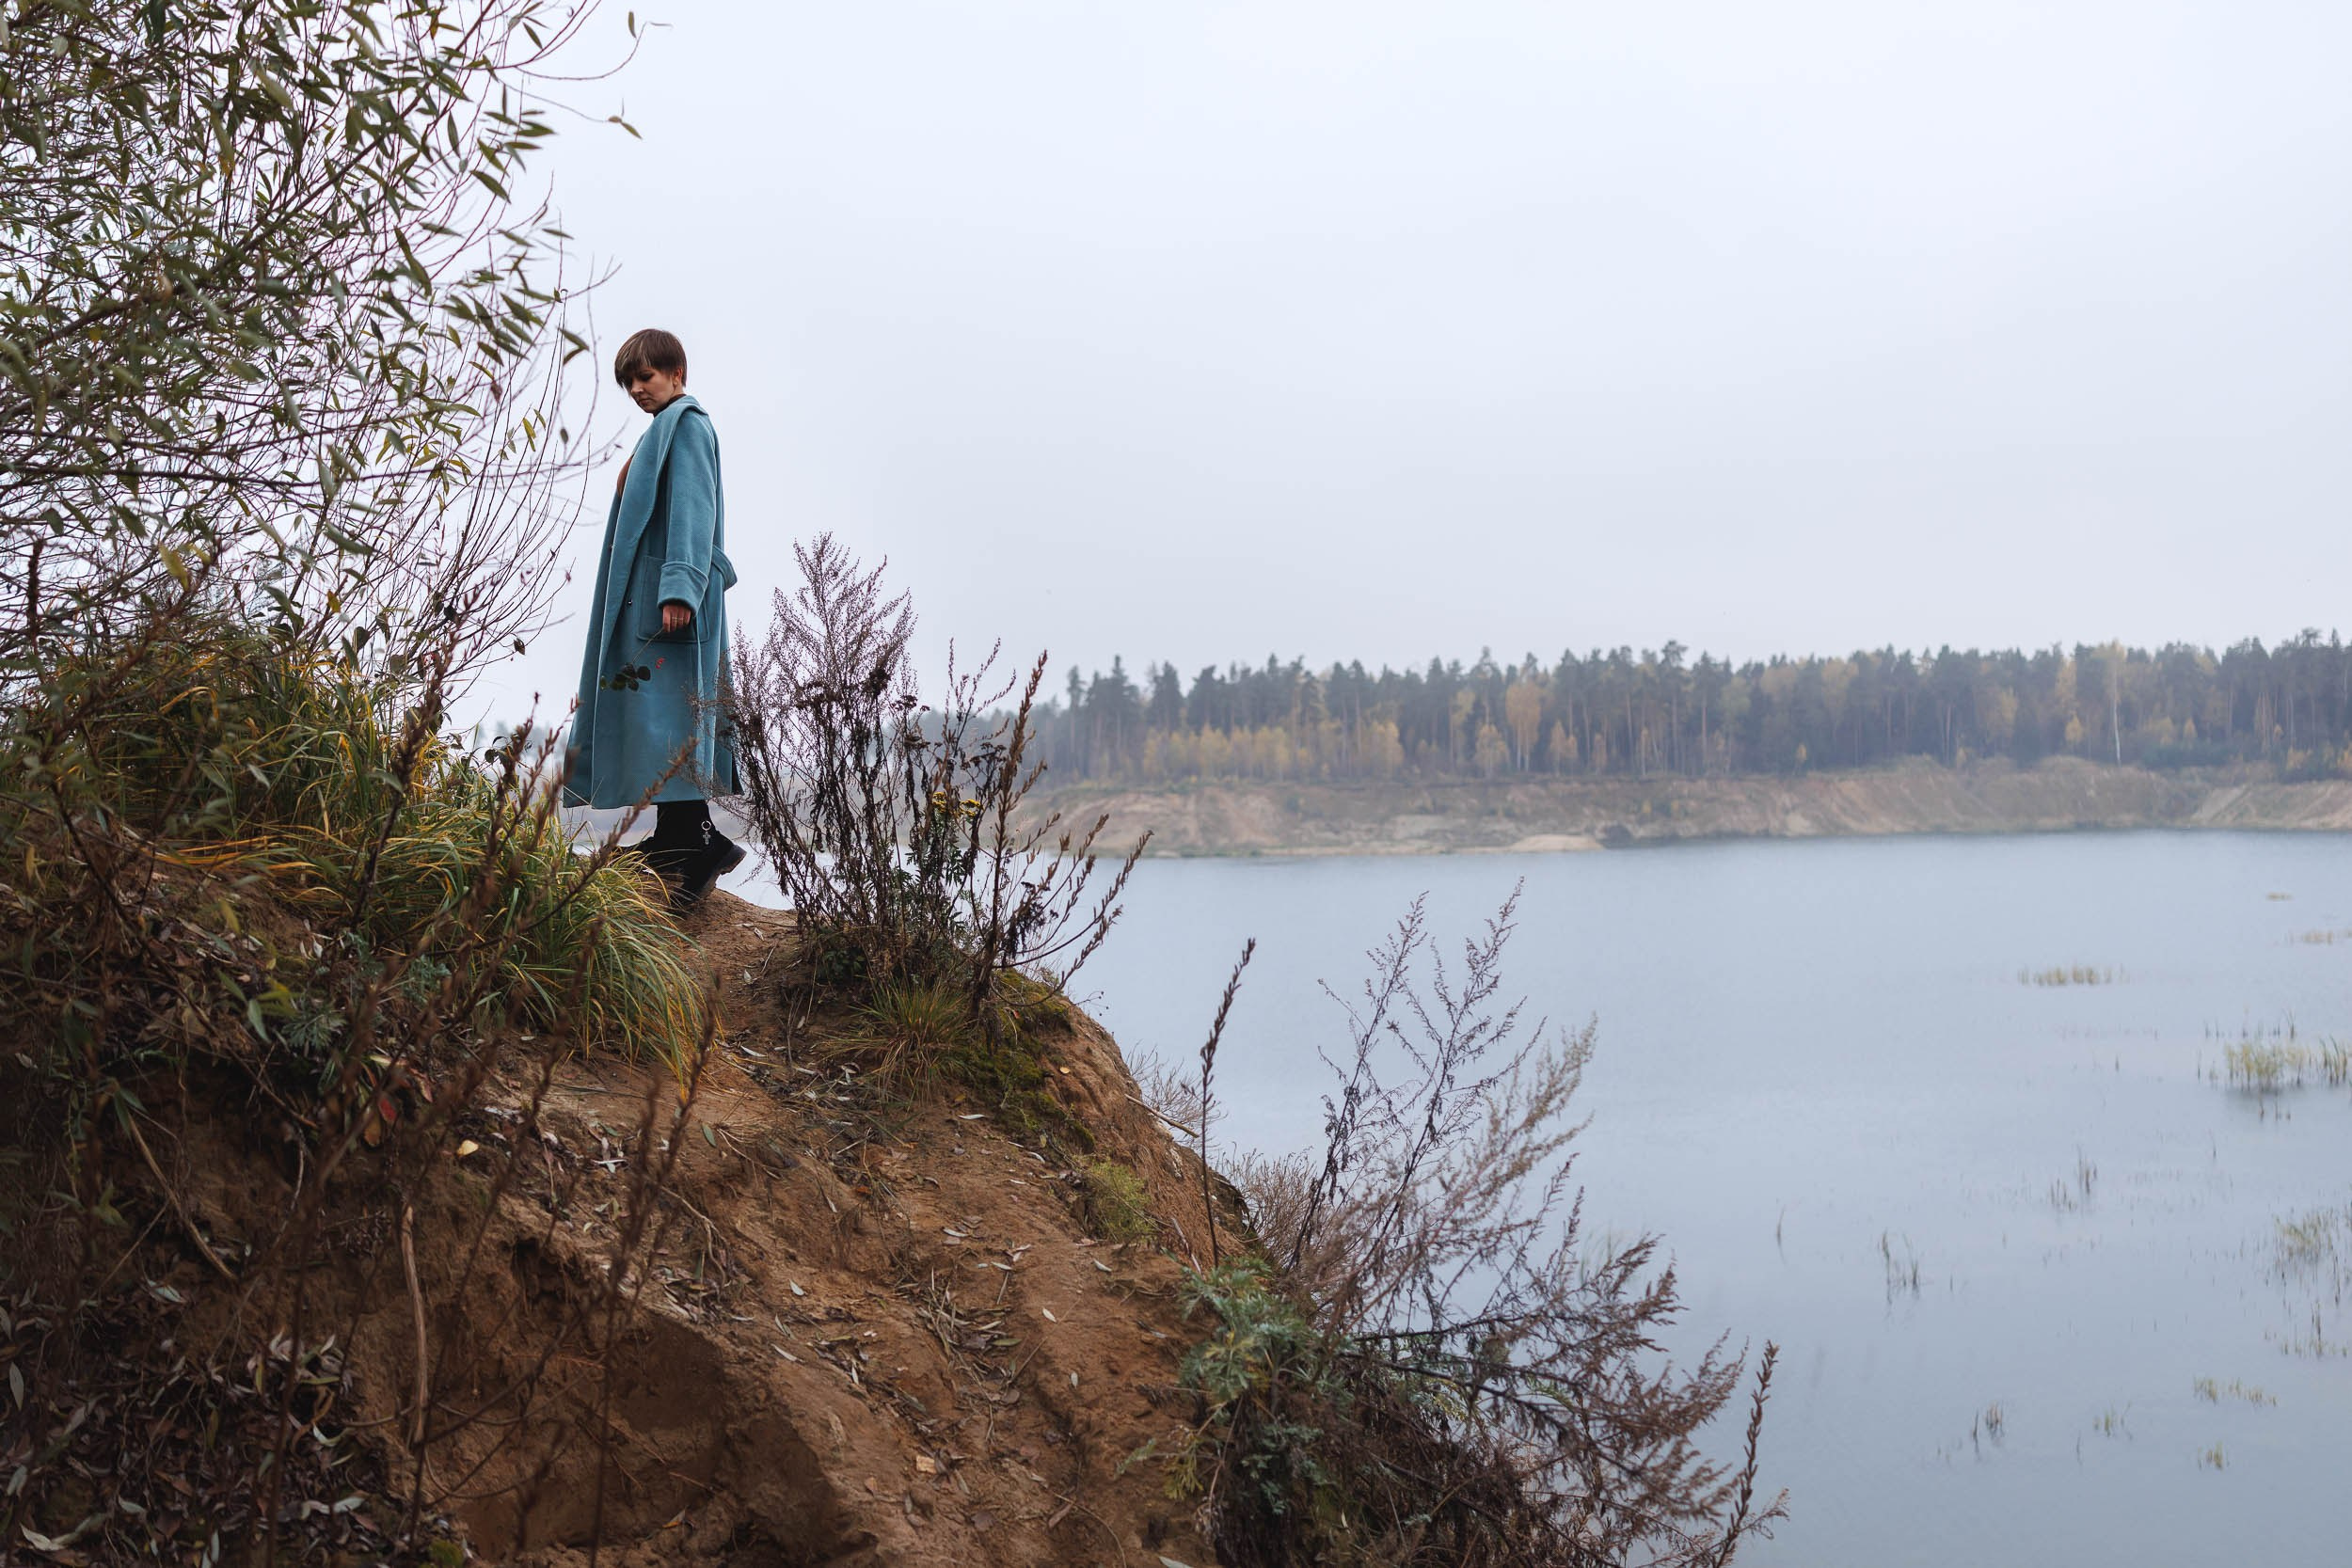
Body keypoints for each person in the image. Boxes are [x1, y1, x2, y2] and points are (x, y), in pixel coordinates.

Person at [564, 328, 745, 908]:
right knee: (659, 718)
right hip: (655, 600)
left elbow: (694, 510)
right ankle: (672, 839)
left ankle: (702, 844)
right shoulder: (662, 431)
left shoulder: (687, 425)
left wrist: (681, 589)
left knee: (673, 716)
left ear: (676, 374)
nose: (638, 389)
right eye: (630, 383)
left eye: (645, 377)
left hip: (671, 603)